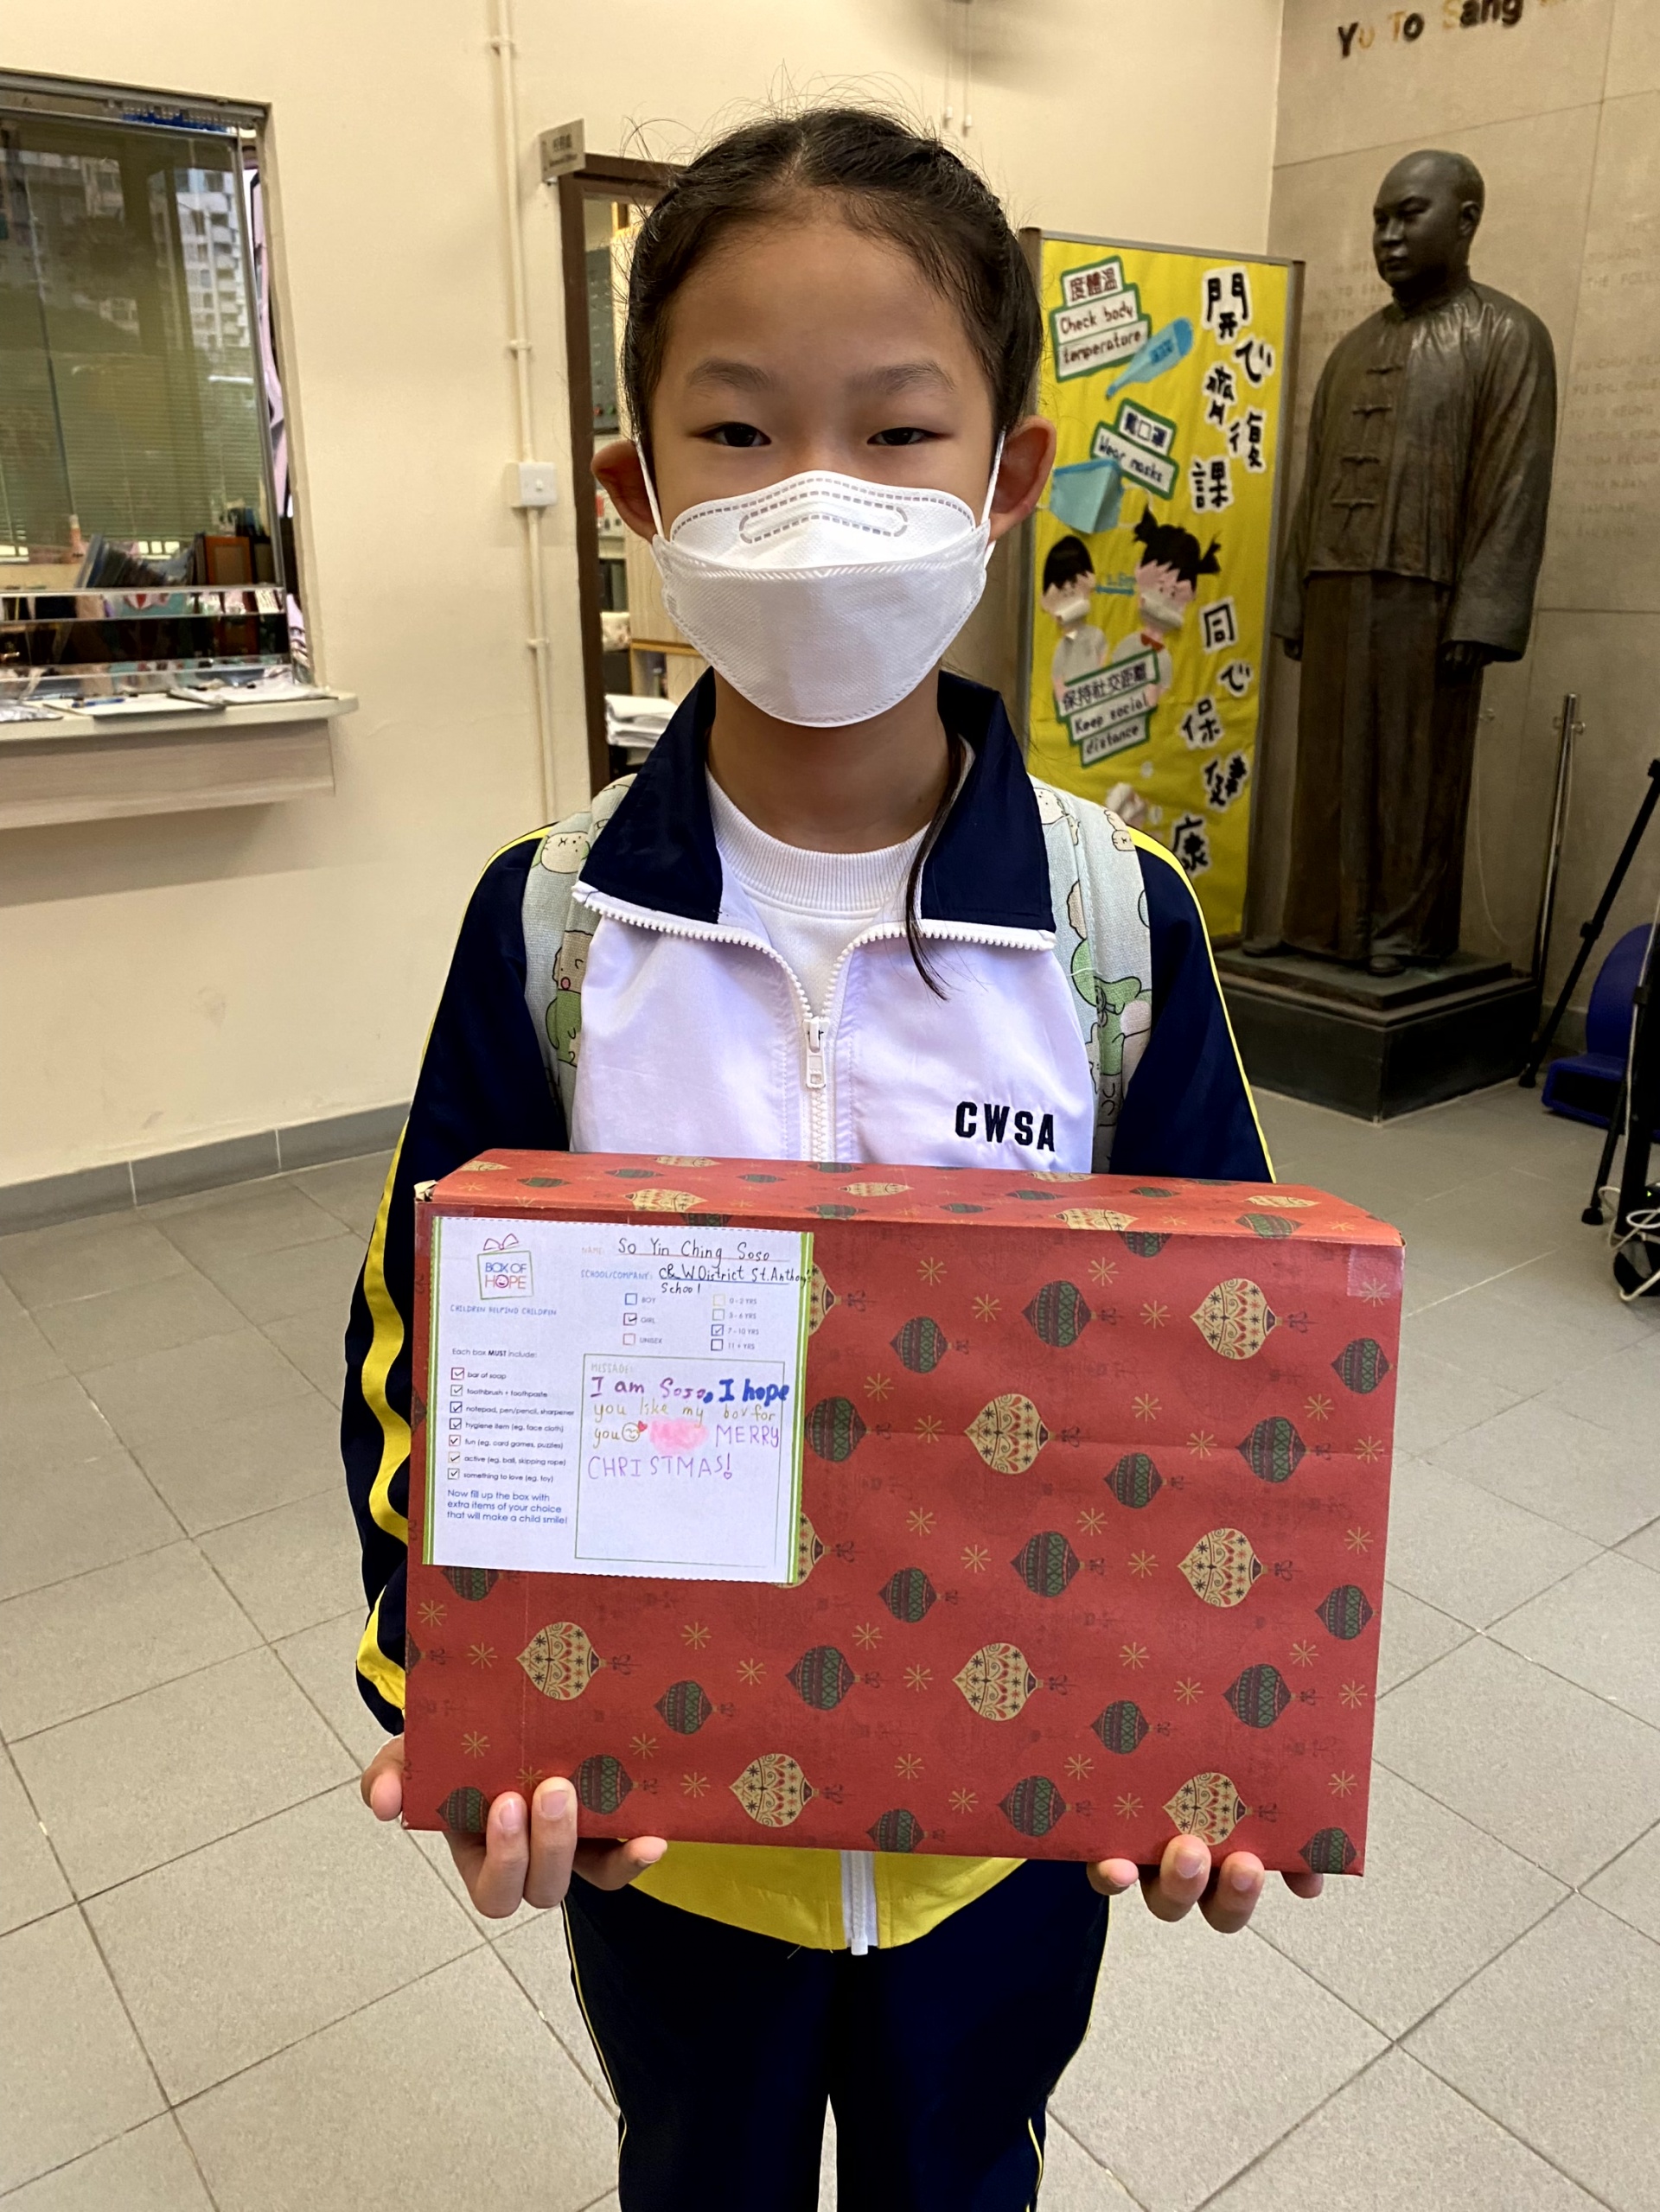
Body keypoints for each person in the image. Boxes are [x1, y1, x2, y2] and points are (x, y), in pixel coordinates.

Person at [347, 108, 1319, 2212]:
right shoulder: (556, 926)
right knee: (695, 2169)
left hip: (1001, 1830)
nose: (815, 494)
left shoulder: (1110, 924)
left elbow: (1229, 1372)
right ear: (636, 492)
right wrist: (463, 1701)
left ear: (1008, 477)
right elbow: (427, 1352)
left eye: (894, 431)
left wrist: (1212, 1740)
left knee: (964, 2172)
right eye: (736, 430)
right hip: (673, 1826)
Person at [1267, 148, 1556, 976]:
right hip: (1335, 583)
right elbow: (1314, 483)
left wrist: (1483, 612)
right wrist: (1294, 597)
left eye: (1408, 215)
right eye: (1379, 220)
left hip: (1428, 597)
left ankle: (1404, 929)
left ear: (1466, 220)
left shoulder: (1506, 335)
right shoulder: (1352, 349)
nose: (1388, 236)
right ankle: (1317, 924)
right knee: (1325, 768)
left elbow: (1516, 482)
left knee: (1413, 772)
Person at [1038, 532, 1108, 711]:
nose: (1069, 588)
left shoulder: (1096, 635)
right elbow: (1057, 675)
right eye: (1061, 585)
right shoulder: (1063, 646)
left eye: (1074, 582)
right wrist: (1061, 691)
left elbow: (1103, 659)